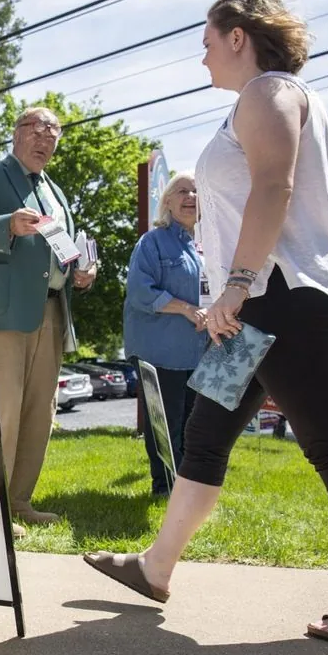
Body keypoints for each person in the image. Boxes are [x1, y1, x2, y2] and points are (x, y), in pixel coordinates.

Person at [85, 0, 328, 643]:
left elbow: (274, 186)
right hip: (257, 309)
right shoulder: (263, 99)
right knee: (205, 435)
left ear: (240, 35)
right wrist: (233, 295)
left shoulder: (268, 91)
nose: (201, 52)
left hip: (281, 299)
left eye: (208, 38)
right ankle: (156, 567)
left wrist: (236, 285)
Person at [0, 107, 97, 533]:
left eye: (54, 131)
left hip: (52, 310)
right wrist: (6, 225)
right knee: (3, 410)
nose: (46, 137)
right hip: (3, 311)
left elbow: (61, 249)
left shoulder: (55, 192)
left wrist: (79, 270)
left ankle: (18, 501)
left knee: (38, 412)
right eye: (37, 127)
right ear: (16, 134)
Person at [124, 173, 210, 496]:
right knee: (166, 423)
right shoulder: (152, 242)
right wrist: (188, 310)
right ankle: (164, 488)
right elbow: (140, 293)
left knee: (192, 424)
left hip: (196, 352)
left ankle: (186, 490)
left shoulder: (204, 246)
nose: (190, 196)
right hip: (159, 351)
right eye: (182, 191)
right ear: (168, 202)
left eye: (196, 191)